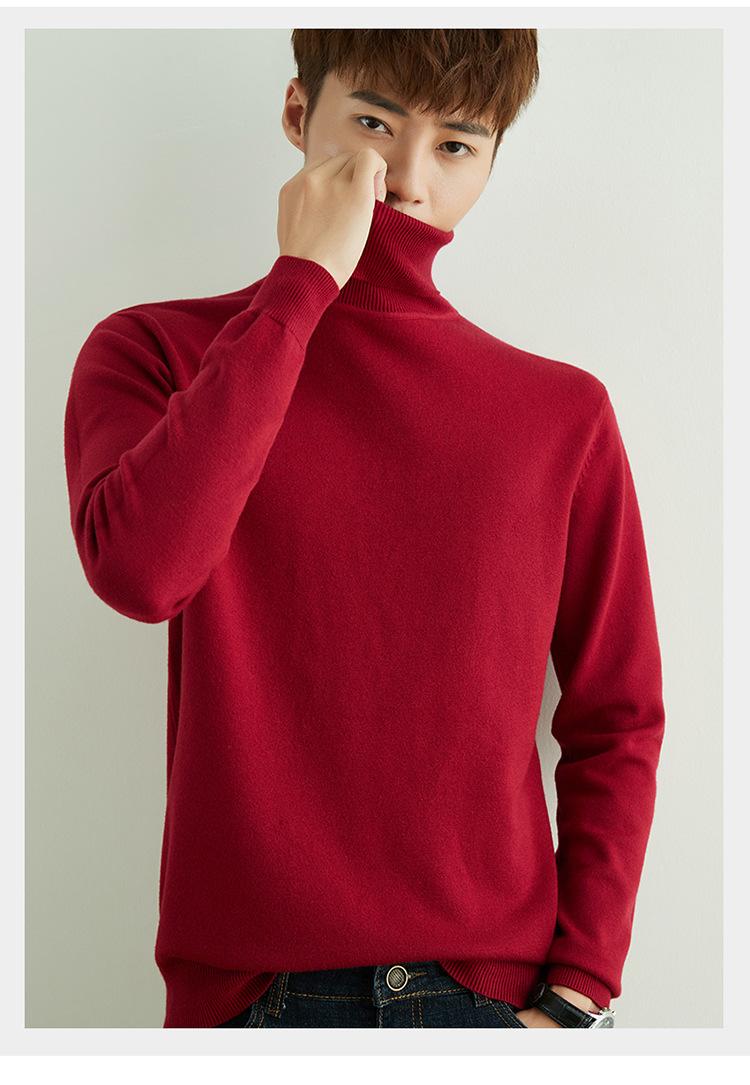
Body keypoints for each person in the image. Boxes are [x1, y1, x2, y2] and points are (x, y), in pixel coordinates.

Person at [63, 29, 665, 1029]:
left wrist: (579, 993)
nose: (407, 181)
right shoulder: (157, 352)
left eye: (456, 145)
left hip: (486, 998)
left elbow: (618, 713)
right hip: (252, 1000)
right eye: (376, 123)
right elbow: (141, 572)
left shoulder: (561, 415)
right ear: (299, 113)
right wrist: (302, 283)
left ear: (492, 161)